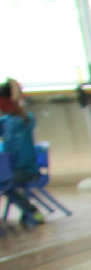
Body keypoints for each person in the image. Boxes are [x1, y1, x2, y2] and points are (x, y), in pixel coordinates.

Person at [0, 79, 44, 227]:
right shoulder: (7, 121)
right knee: (5, 182)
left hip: (25, 170)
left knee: (6, 183)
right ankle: (31, 211)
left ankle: (32, 211)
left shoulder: (22, 121)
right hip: (11, 170)